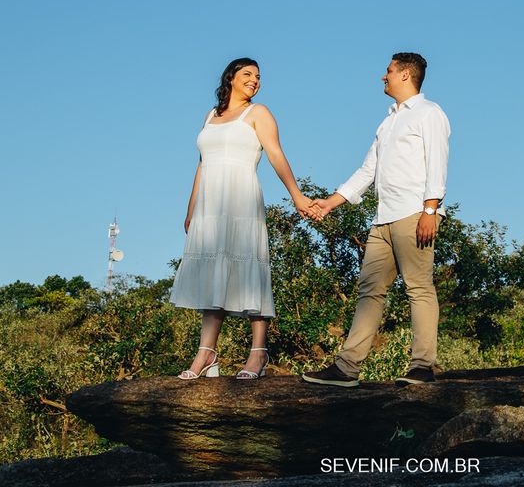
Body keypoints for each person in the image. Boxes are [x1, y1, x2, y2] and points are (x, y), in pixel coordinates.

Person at [302, 52, 450, 387]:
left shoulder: (429, 112)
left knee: (418, 287)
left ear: (405, 74)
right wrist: (330, 203)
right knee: (369, 290)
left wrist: (430, 210)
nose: (384, 76)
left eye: (389, 71)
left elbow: (438, 162)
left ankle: (422, 366)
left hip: (414, 213)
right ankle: (346, 368)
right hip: (383, 219)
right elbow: (367, 170)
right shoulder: (388, 122)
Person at [170, 57, 319, 379]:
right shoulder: (211, 115)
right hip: (210, 205)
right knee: (212, 271)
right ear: (231, 78)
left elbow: (276, 154)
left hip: (241, 198)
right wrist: (191, 209)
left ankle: (258, 352)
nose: (254, 80)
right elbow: (202, 163)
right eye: (247, 74)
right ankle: (207, 353)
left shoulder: (259, 113)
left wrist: (297, 195)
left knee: (249, 269)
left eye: (258, 76)